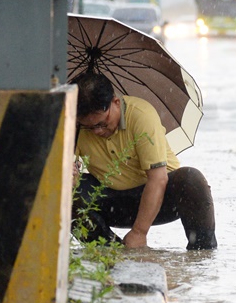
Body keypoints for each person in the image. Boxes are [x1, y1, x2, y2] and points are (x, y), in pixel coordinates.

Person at [71, 73, 217, 250]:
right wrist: (68, 173)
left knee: (191, 179)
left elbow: (158, 179)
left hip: (159, 197)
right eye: (90, 127)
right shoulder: (74, 125)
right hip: (113, 202)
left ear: (116, 102)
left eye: (102, 123)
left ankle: (202, 252)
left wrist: (139, 232)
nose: (98, 132)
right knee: (68, 193)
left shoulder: (141, 115)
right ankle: (112, 252)